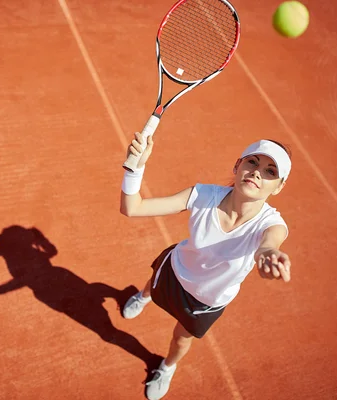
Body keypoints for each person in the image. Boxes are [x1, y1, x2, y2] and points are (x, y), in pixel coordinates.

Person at [120, 133, 293, 400]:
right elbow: (132, 208)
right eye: (252, 163)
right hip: (175, 269)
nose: (257, 173)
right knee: (152, 286)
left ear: (279, 187)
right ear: (237, 167)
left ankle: (167, 367)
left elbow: (269, 245)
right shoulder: (202, 195)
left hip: (206, 300)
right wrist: (135, 167)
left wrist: (269, 255)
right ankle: (142, 298)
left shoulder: (271, 225)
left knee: (181, 339)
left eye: (270, 171)